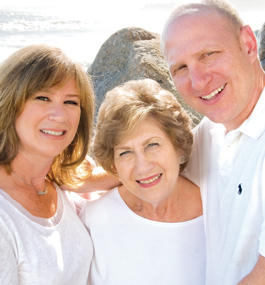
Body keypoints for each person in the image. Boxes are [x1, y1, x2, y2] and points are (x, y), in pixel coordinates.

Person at [160, 0, 265, 284]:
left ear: (248, 44)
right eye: (180, 68)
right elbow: (150, 168)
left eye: (208, 54)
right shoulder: (211, 132)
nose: (198, 81)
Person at [80, 79, 206, 285]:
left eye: (152, 145)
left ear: (179, 147)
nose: (143, 166)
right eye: (125, 152)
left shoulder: (215, 212)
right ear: (113, 164)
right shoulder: (92, 220)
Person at [0, 44, 95, 284]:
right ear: (10, 104)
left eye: (71, 102)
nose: (59, 115)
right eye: (42, 97)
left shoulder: (59, 181)